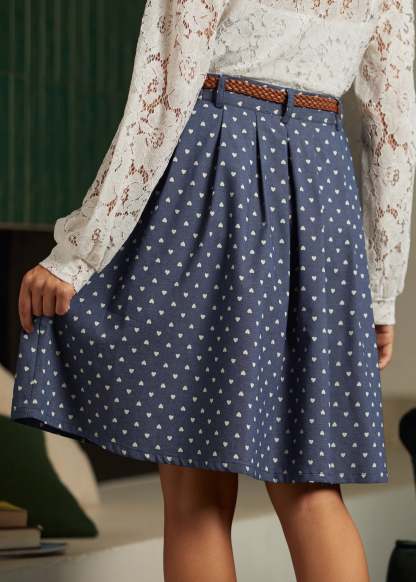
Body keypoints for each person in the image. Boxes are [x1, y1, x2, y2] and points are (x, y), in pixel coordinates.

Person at [11, 1, 416, 581]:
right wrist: (380, 291)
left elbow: (163, 94)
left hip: (215, 172)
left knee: (195, 489)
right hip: (323, 187)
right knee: (311, 488)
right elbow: (394, 128)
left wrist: (80, 253)